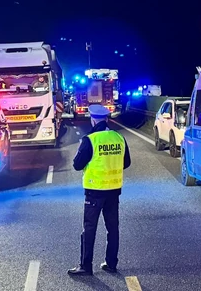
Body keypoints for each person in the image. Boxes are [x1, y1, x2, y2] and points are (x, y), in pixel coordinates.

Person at [68, 104, 131, 276]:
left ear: (93, 120)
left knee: (89, 228)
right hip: (114, 190)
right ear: (106, 120)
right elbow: (126, 163)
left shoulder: (90, 140)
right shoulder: (119, 137)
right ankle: (111, 263)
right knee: (113, 228)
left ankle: (86, 266)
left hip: (95, 191)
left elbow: (77, 165)